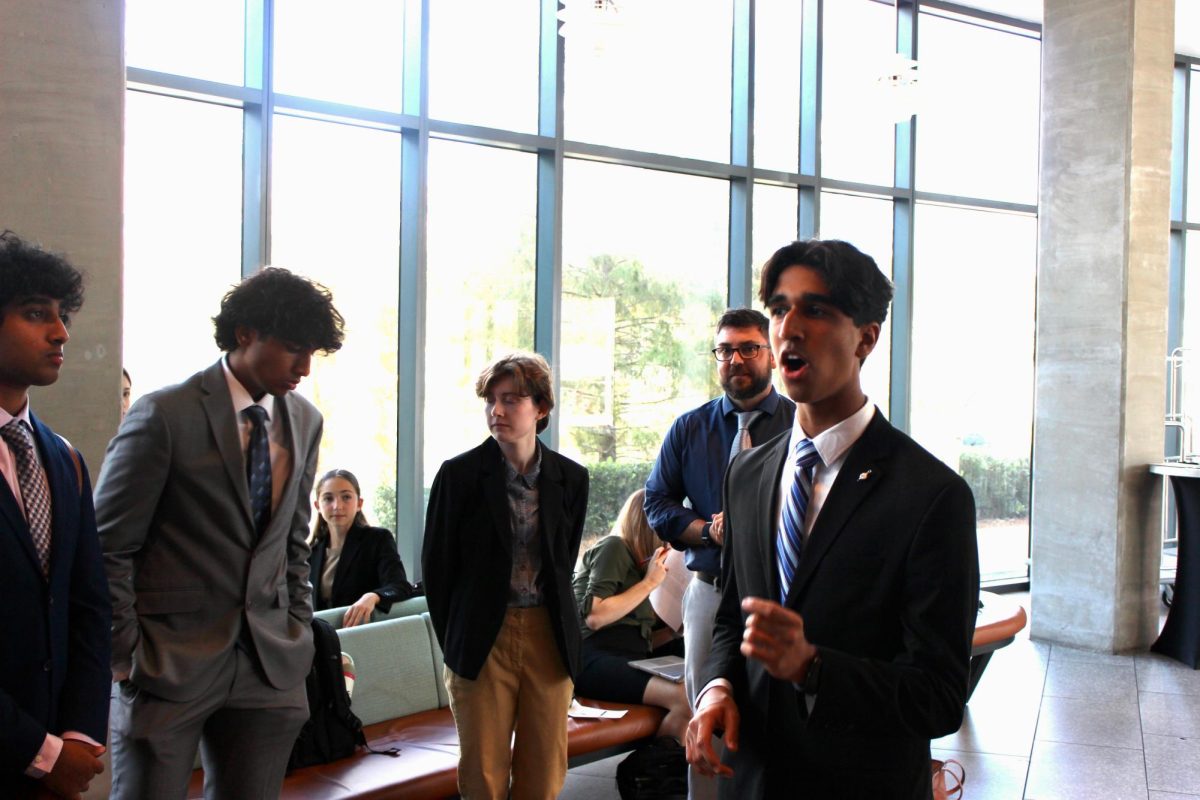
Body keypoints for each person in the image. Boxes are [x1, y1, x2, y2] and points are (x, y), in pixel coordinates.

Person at [685, 239, 980, 799]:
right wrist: (718, 688)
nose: (788, 327)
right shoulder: (746, 475)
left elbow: (939, 696)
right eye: (778, 308)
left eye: (815, 310)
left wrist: (814, 667)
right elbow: (732, 617)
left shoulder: (932, 496)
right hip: (749, 780)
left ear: (866, 337)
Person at [95, 267, 345, 800]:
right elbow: (108, 544)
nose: (303, 367)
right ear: (244, 334)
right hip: (167, 662)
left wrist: (297, 627)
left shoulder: (305, 419)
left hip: (269, 664)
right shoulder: (164, 414)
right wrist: (127, 654)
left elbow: (294, 542)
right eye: (293, 349)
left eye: (313, 354)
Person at [422, 352, 589, 800]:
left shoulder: (571, 478)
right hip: (481, 636)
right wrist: (458, 639)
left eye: (511, 400)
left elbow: (562, 562)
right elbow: (437, 571)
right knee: (483, 774)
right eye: (491, 400)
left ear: (541, 408)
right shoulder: (458, 476)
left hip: (548, 636)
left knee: (544, 771)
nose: (496, 411)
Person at [644, 307, 794, 798]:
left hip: (780, 596)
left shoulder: (799, 424)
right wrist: (708, 530)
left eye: (749, 347)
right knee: (703, 717)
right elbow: (656, 502)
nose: (736, 359)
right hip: (709, 592)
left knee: (780, 718)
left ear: (771, 354)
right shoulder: (690, 428)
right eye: (725, 350)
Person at [0, 231, 111, 799]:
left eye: (62, 314)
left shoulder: (63, 459)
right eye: (36, 313)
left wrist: (78, 735)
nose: (61, 332)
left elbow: (89, 607)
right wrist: (42, 753)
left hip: (54, 766)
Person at [573, 488, 691, 741]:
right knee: (685, 696)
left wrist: (674, 630)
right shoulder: (614, 547)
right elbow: (595, 617)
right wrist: (649, 583)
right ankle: (649, 773)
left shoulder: (643, 568)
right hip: (593, 658)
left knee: (701, 670)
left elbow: (637, 639)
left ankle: (672, 770)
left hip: (630, 657)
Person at [309, 467, 417, 628]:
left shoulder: (378, 539)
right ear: (318, 506)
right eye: (328, 498)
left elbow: (400, 586)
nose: (337, 506)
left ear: (359, 503)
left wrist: (372, 596)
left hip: (362, 635)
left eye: (346, 497)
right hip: (321, 640)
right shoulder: (310, 553)